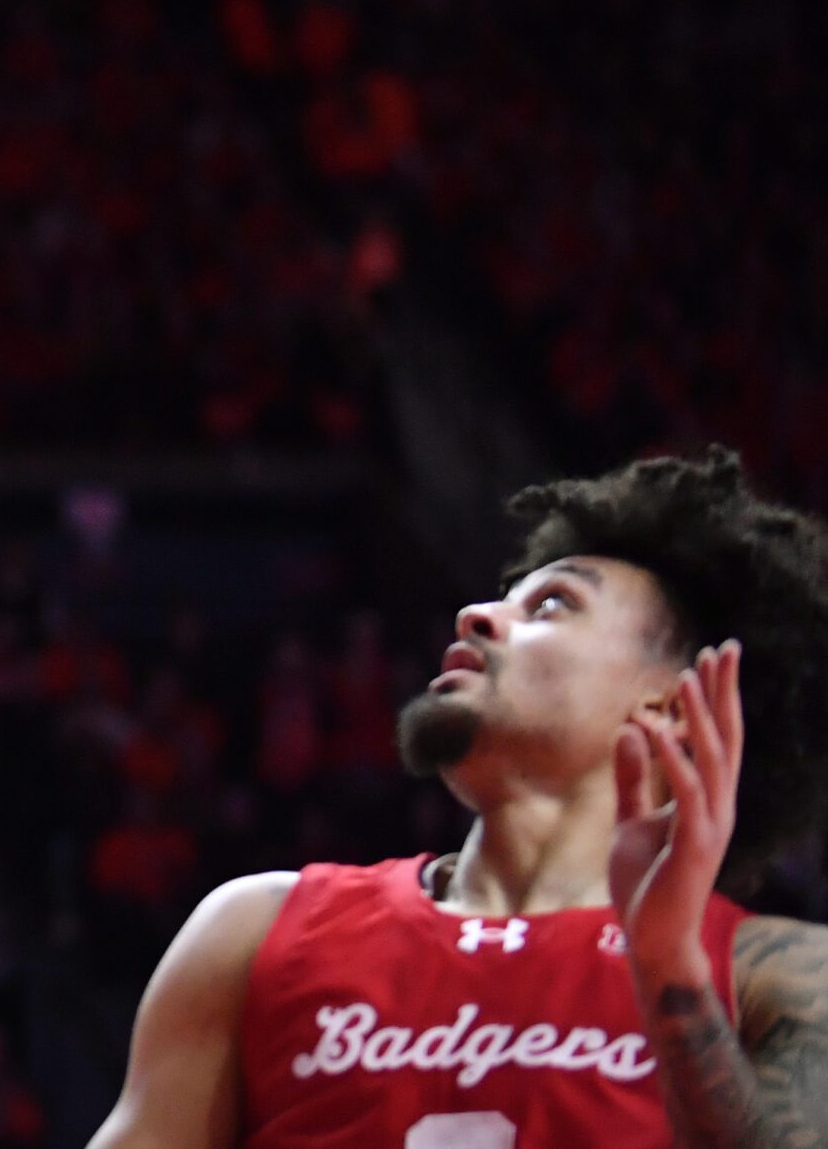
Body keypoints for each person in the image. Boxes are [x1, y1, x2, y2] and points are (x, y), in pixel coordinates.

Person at [90, 447, 828, 1148]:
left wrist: (668, 967)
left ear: (667, 706)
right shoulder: (254, 932)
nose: (476, 615)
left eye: (551, 605)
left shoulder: (778, 976)